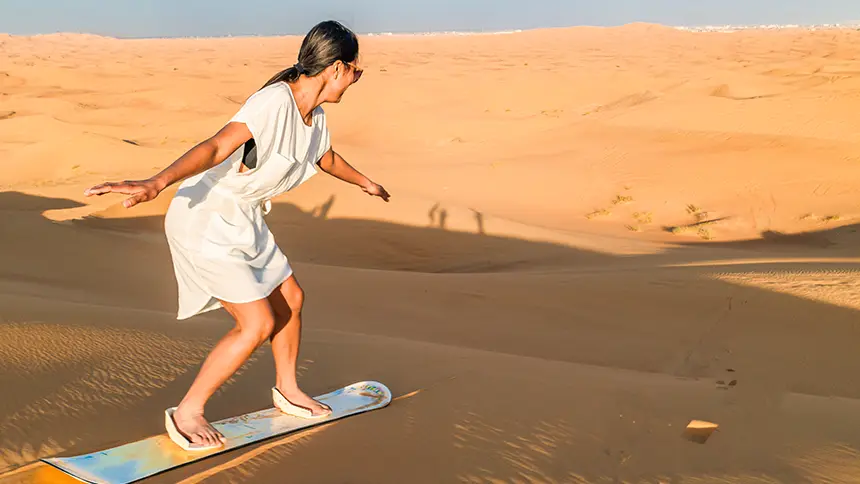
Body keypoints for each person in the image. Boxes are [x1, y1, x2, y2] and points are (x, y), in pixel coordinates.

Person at [84, 20, 390, 451]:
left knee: (291, 298)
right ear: (337, 68)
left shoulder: (315, 116)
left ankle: (288, 389)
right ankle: (188, 411)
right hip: (206, 218)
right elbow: (215, 146)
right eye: (357, 70)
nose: (357, 78)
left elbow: (325, 157)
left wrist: (365, 182)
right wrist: (156, 183)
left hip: (244, 217)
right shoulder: (274, 102)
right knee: (257, 323)